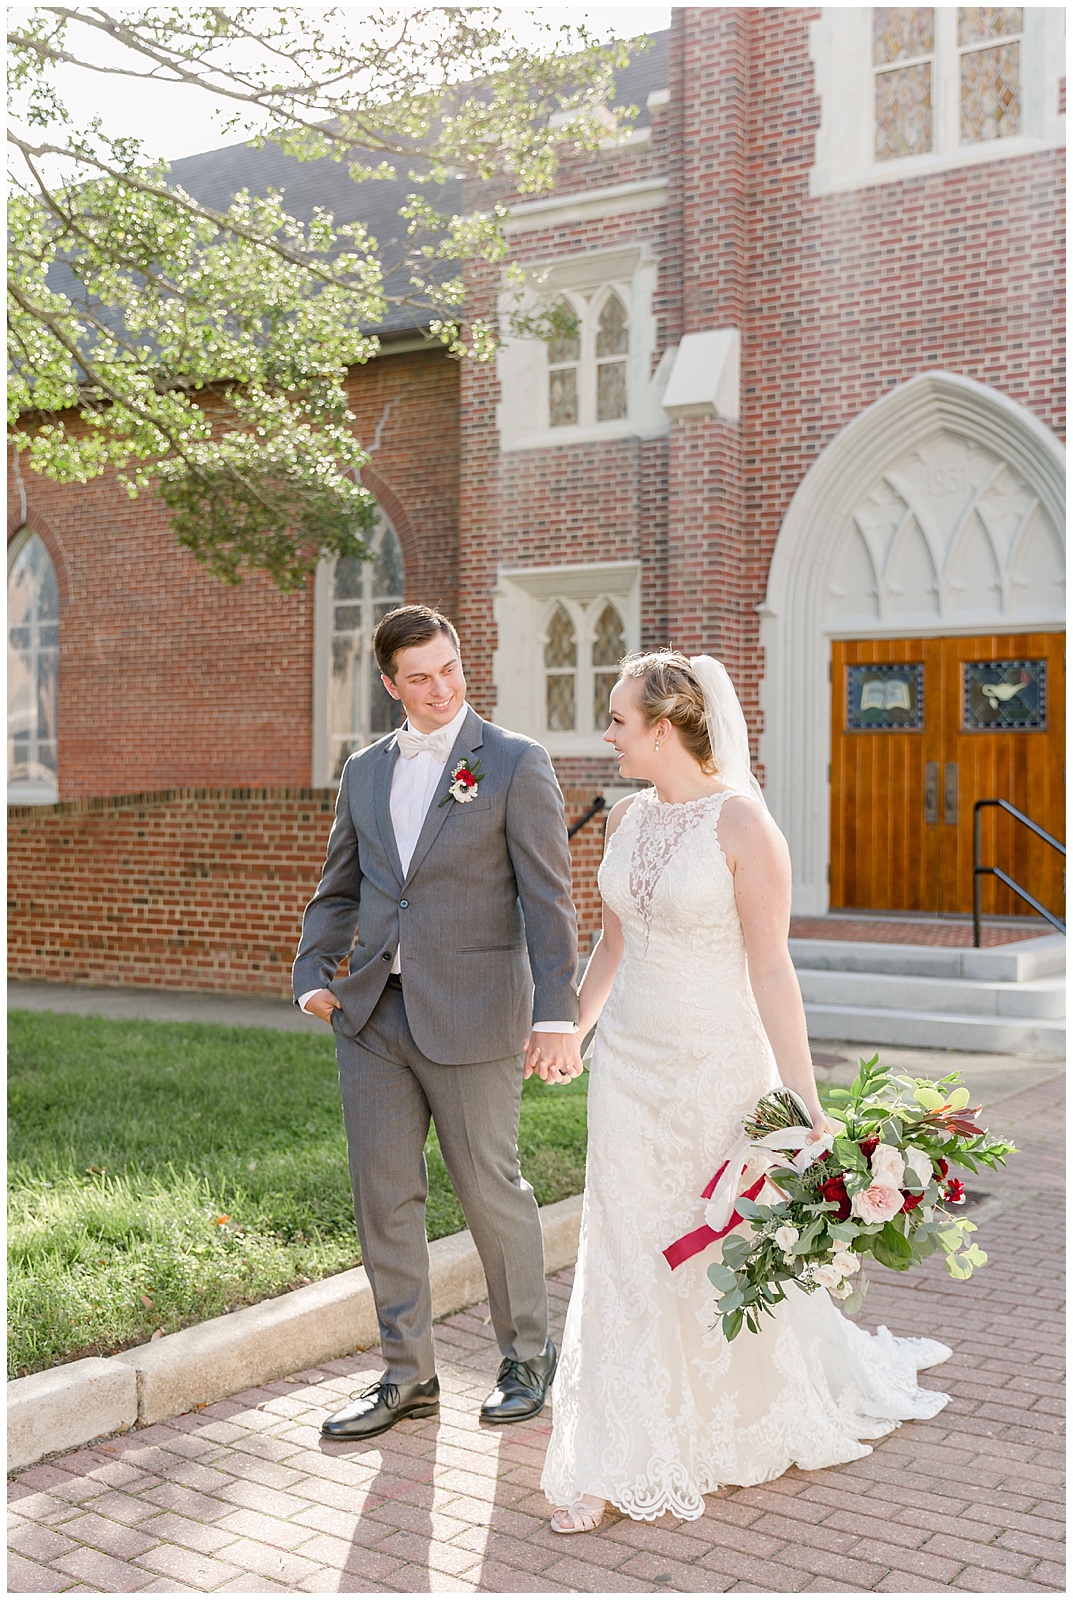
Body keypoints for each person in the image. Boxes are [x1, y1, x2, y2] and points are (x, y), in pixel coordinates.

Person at [539, 650, 950, 1533]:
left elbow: (771, 966)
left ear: (661, 728)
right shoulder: (625, 819)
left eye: (615, 719)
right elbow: (610, 947)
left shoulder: (744, 829)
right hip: (629, 1069)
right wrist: (574, 1032)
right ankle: (617, 1444)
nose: (604, 733)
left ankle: (727, 1416)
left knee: (712, 1240)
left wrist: (801, 1100)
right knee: (621, 1241)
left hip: (716, 1066)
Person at [293, 604, 583, 1441]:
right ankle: (406, 1375)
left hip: (474, 1012)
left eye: (449, 668)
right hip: (373, 1015)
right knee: (383, 1199)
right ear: (390, 685)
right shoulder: (364, 771)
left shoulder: (516, 763)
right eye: (419, 677)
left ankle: (527, 1357)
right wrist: (315, 973)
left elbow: (548, 898)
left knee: (491, 1191)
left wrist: (557, 1014)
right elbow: (340, 884)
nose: (440, 687)